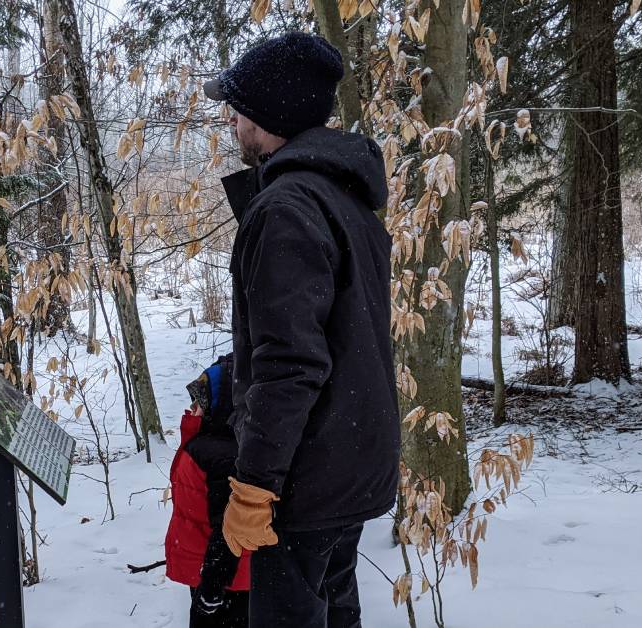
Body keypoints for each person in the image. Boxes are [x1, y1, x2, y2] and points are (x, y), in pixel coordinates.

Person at [204, 32, 400, 627]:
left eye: (236, 108)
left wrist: (255, 487)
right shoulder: (343, 198)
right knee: (335, 609)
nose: (230, 120)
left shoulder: (287, 207)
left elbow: (291, 365)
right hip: (352, 461)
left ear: (266, 116)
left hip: (306, 477)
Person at [165, 354, 251, 627]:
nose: (193, 408)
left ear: (222, 405)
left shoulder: (221, 455)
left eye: (201, 401)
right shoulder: (214, 442)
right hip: (214, 571)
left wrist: (214, 584)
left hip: (226, 580)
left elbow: (229, 529)